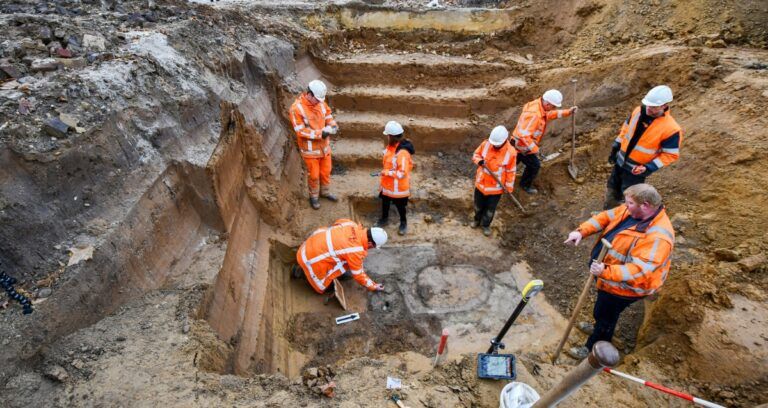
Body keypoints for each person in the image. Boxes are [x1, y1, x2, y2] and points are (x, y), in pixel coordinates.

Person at [563, 183, 674, 360]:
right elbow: (604, 217)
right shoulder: (631, 210)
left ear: (645, 205)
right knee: (601, 311)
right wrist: (581, 232)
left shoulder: (658, 237)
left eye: (629, 203)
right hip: (607, 274)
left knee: (606, 316)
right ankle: (598, 327)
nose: (625, 205)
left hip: (625, 287)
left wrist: (605, 270)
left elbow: (639, 271)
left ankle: (594, 349)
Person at [604, 85, 682, 209]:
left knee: (630, 196)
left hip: (636, 170)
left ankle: (625, 218)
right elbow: (625, 129)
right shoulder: (638, 111)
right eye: (648, 105)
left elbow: (670, 154)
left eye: (654, 107)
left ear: (664, 105)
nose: (649, 109)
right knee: (612, 186)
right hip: (620, 161)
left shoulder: (671, 129)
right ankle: (608, 213)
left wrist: (648, 167)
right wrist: (616, 146)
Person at [293, 218, 387, 294]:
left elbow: (337, 223)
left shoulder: (351, 224)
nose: (372, 248)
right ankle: (300, 272)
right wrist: (374, 286)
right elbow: (358, 275)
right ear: (370, 243)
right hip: (309, 259)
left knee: (340, 255)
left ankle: (303, 267)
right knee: (324, 286)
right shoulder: (355, 251)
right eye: (374, 246)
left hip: (306, 247)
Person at [512, 89, 577, 194]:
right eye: (553, 106)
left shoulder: (539, 106)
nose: (554, 109)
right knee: (534, 165)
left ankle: (504, 179)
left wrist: (568, 112)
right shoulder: (534, 114)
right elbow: (523, 136)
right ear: (547, 104)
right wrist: (535, 149)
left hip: (520, 143)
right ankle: (524, 185)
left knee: (512, 163)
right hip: (522, 145)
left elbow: (550, 114)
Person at [289, 79, 339, 210]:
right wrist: (320, 134)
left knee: (326, 172)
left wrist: (333, 125)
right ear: (309, 94)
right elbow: (300, 131)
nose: (318, 102)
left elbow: (328, 116)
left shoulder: (320, 103)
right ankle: (314, 197)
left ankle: (325, 192)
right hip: (310, 151)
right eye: (316, 99)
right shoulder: (296, 109)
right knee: (314, 175)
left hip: (324, 148)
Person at [471, 126, 517, 237]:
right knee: (477, 205)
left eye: (497, 144)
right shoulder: (486, 144)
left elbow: (511, 171)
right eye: (494, 144)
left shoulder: (511, 153)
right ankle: (476, 220)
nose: (495, 146)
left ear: (504, 140)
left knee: (490, 209)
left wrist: (508, 187)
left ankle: (485, 225)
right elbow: (475, 155)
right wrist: (479, 161)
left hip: (495, 188)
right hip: (481, 184)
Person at [376, 121, 414, 236]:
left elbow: (402, 173)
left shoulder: (402, 153)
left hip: (398, 188)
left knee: (400, 206)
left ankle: (403, 223)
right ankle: (384, 219)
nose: (387, 137)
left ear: (391, 136)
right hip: (387, 185)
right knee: (385, 202)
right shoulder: (391, 148)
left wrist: (386, 172)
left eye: (388, 135)